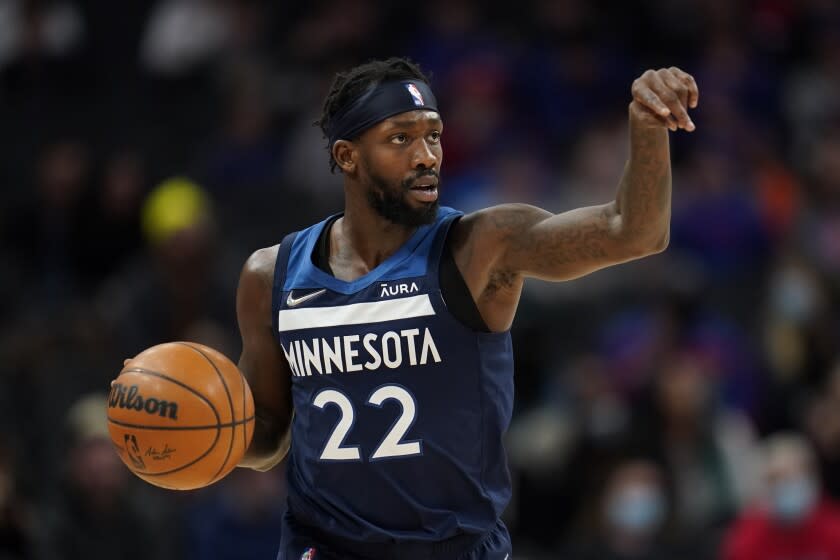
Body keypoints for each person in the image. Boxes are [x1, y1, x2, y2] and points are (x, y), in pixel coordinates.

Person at [235, 57, 698, 559]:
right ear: (347, 156)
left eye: (433, 135)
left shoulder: (479, 249)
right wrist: (204, 437)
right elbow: (267, 437)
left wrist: (649, 129)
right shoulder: (271, 276)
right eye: (401, 138)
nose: (427, 156)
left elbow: (634, 232)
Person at [722, 433, 840, 560]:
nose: (783, 485)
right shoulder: (746, 537)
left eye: (790, 476)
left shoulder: (835, 528)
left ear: (811, 477)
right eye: (774, 479)